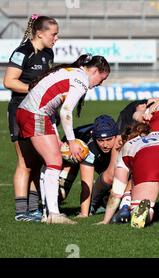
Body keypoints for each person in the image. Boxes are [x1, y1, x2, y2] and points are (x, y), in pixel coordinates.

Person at [16, 54, 110, 224]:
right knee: (54, 163)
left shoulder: (72, 72)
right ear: (95, 71)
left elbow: (51, 109)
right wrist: (72, 141)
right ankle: (53, 214)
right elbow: (65, 112)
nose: (99, 84)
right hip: (35, 114)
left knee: (49, 163)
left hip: (28, 112)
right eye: (101, 79)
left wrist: (58, 139)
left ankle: (47, 213)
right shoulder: (81, 80)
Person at [3, 14, 58, 221]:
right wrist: (35, 91)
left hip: (40, 112)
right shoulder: (22, 52)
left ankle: (34, 209)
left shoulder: (49, 53)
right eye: (53, 34)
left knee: (38, 162)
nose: (56, 38)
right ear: (40, 33)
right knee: (25, 162)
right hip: (20, 110)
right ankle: (20, 212)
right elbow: (9, 81)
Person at [58, 115, 120, 218]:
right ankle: (45, 207)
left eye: (109, 139)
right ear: (94, 137)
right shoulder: (89, 148)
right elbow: (86, 184)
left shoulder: (121, 141)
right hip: (75, 149)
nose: (105, 145)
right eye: (100, 140)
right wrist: (84, 214)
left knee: (115, 188)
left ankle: (100, 202)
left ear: (116, 135)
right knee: (61, 191)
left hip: (101, 158)